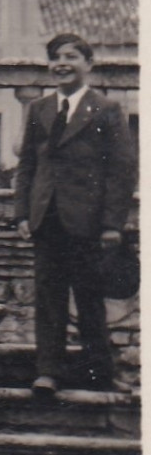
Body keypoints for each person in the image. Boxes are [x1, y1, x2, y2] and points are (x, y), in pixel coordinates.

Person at [14, 33, 136, 397]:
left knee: (89, 297)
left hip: (88, 222)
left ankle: (99, 372)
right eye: (56, 57)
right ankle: (47, 373)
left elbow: (121, 170)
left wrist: (112, 224)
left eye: (71, 56)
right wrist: (22, 214)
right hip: (47, 218)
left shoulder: (106, 109)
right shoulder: (39, 109)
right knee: (48, 297)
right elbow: (27, 165)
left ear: (88, 64)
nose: (62, 64)